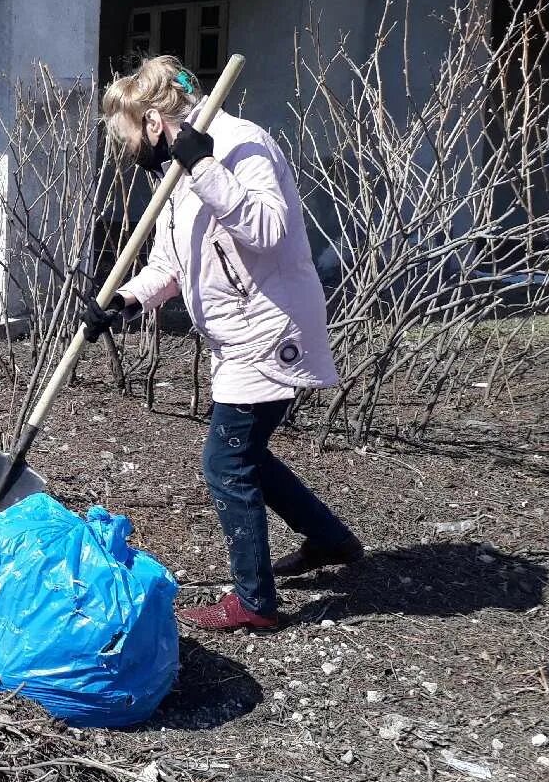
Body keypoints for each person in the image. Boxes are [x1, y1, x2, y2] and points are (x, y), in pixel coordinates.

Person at [87, 55, 364, 632]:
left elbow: (269, 229)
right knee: (247, 456)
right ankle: (332, 540)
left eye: (128, 135)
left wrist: (205, 168)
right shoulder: (176, 170)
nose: (127, 150)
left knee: (225, 462)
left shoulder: (239, 142)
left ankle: (255, 603)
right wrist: (128, 301)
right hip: (236, 335)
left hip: (271, 328)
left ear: (155, 122)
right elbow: (171, 259)